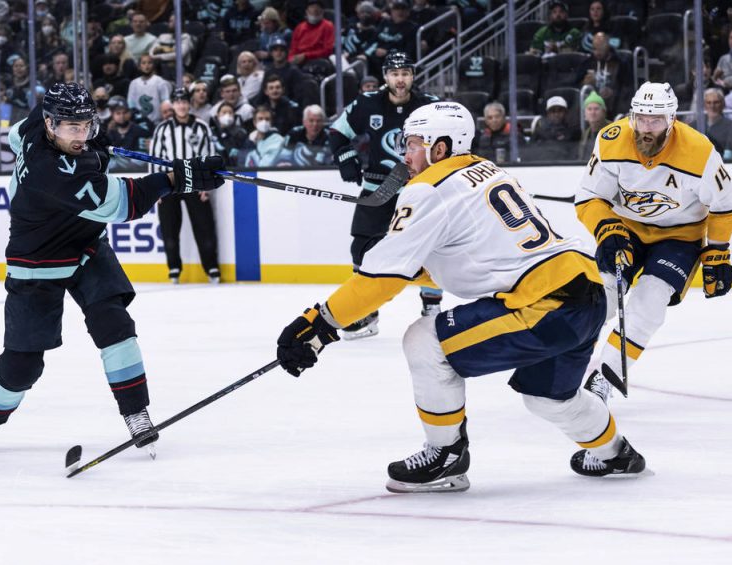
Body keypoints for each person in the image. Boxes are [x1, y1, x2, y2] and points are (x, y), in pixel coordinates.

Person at [275, 101, 646, 493]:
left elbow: (381, 280)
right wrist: (400, 262)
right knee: (548, 397)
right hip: (586, 292)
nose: (405, 156)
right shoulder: (485, 170)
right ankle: (615, 453)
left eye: (413, 145)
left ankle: (446, 456)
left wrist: (319, 322)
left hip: (545, 305)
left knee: (424, 340)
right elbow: (465, 257)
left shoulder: (427, 188)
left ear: (440, 148)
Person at [0, 82, 225, 452]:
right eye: (73, 128)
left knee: (114, 324)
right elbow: (126, 203)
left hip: (85, 244)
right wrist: (178, 179)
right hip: (37, 261)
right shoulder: (51, 172)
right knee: (23, 364)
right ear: (51, 124)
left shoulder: (34, 124)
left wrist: (94, 144)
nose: (82, 135)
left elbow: (16, 137)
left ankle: (136, 411)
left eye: (87, 126)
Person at [575, 82, 732, 397]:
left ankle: (604, 378)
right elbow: (589, 197)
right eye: (641, 118)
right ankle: (567, 359)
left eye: (655, 120)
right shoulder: (611, 140)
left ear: (672, 119)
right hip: (626, 228)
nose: (646, 127)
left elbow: (727, 203)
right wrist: (605, 227)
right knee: (601, 293)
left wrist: (718, 252)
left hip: (680, 236)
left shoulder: (698, 151)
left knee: (650, 300)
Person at [328, 51, 441, 339]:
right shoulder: (367, 103)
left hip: (419, 190)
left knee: (432, 249)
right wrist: (346, 157)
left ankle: (432, 311)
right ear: (385, 76)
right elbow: (337, 132)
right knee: (362, 249)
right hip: (378, 189)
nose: (400, 79)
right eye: (394, 74)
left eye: (405, 73)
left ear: (413, 76)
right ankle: (365, 313)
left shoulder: (430, 106)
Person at [151, 88, 222, 284]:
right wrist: (156, 189)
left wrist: (207, 186)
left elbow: (209, 156)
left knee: (204, 226)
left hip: (195, 182)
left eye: (184, 101)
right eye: (177, 102)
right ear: (173, 105)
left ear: (190, 103)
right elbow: (154, 158)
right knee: (169, 229)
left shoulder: (201, 127)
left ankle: (211, 267)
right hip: (169, 182)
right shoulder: (162, 129)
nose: (181, 105)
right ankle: (174, 267)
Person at [531, 96, 581, 161]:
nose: (556, 114)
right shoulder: (539, 133)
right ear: (548, 114)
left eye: (560, 111)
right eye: (553, 111)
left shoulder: (574, 132)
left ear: (566, 113)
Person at [127, 54, 172, 125]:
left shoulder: (160, 81)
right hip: (140, 123)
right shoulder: (134, 83)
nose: (146, 66)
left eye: (149, 63)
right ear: (139, 66)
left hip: (157, 122)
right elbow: (131, 103)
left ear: (153, 65)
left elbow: (166, 101)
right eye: (143, 63)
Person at [288, 0, 335, 67]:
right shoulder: (299, 27)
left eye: (317, 7)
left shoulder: (327, 26)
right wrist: (290, 60)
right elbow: (293, 49)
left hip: (318, 60)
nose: (314, 10)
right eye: (312, 7)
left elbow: (328, 50)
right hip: (299, 61)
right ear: (306, 12)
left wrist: (306, 55)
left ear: (322, 11)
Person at [702, 88, 732, 156]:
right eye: (709, 103)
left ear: (723, 104)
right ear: (704, 105)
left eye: (716, 102)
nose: (712, 106)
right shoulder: (694, 126)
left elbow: (729, 156)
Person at [580, 91, 611, 160]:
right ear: (585, 114)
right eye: (589, 109)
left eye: (596, 109)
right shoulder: (586, 134)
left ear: (604, 112)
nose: (593, 112)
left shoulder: (612, 129)